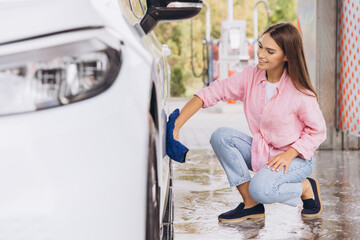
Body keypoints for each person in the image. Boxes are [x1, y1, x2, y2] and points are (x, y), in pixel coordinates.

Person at [172, 22, 327, 222]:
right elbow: (211, 93)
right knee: (221, 136)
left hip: (295, 160)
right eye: (261, 46)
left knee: (261, 189)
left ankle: (306, 187)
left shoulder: (300, 92)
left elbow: (318, 131)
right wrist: (177, 125)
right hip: (263, 152)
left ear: (286, 56)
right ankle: (251, 205)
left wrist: (290, 154)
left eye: (270, 51)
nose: (261, 54)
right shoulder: (251, 76)